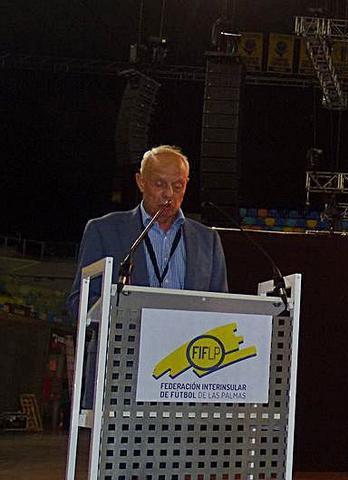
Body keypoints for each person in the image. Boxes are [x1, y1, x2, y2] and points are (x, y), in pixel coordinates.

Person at [66, 145, 229, 410]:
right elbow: (78, 303)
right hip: (120, 375)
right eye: (159, 184)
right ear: (140, 182)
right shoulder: (104, 230)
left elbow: (220, 309)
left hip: (188, 377)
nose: (168, 194)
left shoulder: (207, 240)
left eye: (178, 186)